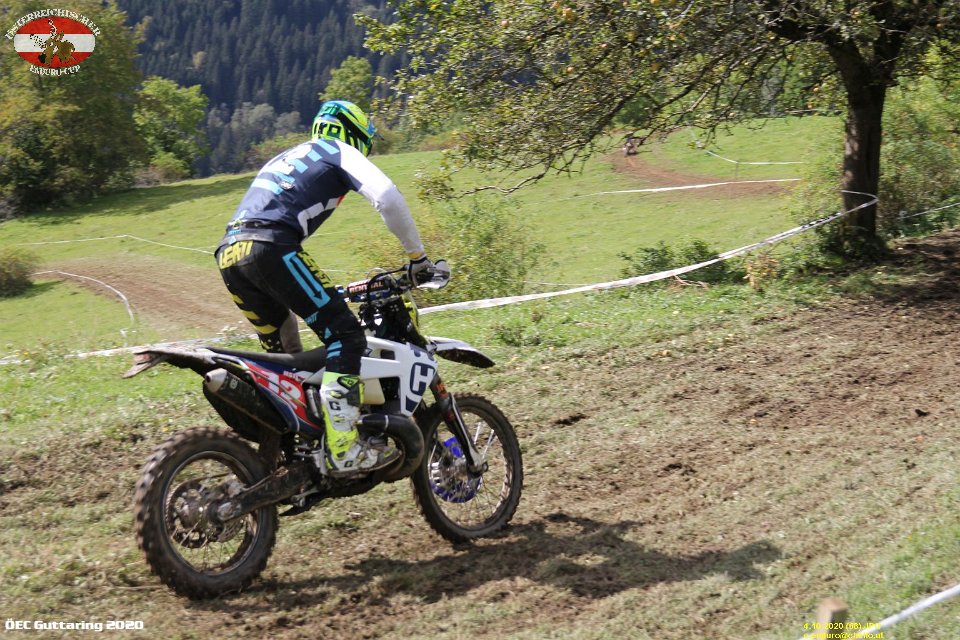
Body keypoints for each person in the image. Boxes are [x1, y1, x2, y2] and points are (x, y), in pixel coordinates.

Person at [215, 100, 438, 476]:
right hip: (271, 247)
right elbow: (386, 197)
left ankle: (285, 458)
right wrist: (417, 257)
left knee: (285, 362)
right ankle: (344, 447)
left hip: (229, 255)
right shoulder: (337, 150)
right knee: (346, 338)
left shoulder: (283, 158)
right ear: (352, 134)